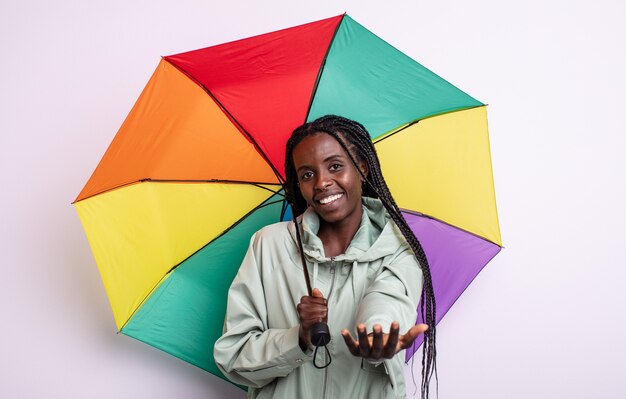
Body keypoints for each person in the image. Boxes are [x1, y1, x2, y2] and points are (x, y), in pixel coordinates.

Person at [214, 115, 437, 398]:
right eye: (307, 174)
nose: (321, 182)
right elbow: (233, 355)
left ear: (363, 169)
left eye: (335, 166)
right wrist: (300, 338)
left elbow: (386, 302)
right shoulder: (268, 245)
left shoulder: (398, 248)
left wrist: (375, 336)